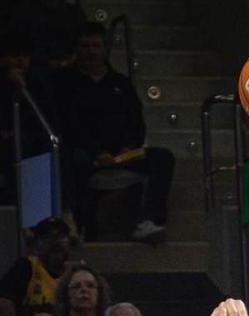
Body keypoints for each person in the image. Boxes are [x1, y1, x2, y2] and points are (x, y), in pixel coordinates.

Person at [51, 23, 174, 242]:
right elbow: (69, 125)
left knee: (163, 158)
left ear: (105, 49)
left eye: (96, 46)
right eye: (85, 46)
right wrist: (97, 152)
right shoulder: (65, 82)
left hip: (122, 153)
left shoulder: (121, 83)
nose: (91, 51)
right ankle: (76, 223)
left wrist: (129, 146)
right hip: (86, 153)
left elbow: (137, 122)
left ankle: (151, 220)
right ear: (76, 49)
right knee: (73, 161)